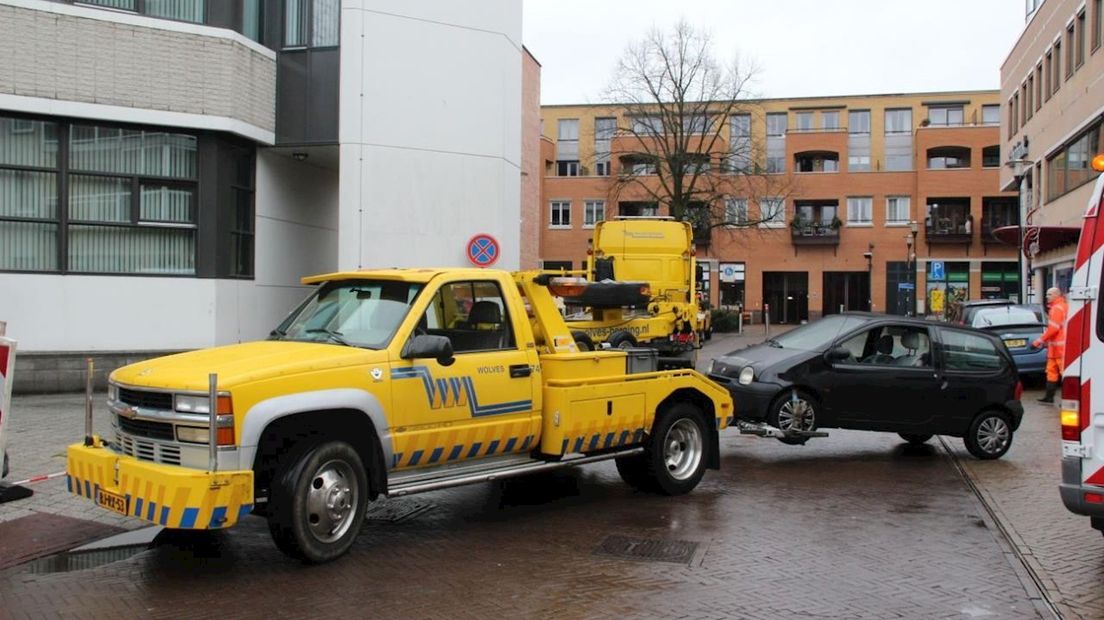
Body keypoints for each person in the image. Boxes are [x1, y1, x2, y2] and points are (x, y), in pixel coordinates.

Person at [1033, 287, 1068, 403]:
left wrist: (1039, 341)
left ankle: (1065, 399)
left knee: (1064, 374)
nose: (1047, 296)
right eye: (1047, 294)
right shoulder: (1061, 307)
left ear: (1057, 295)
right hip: (1055, 348)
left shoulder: (1057, 309)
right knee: (1051, 372)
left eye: (1049, 294)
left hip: (1060, 349)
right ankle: (1049, 397)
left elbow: (1053, 329)